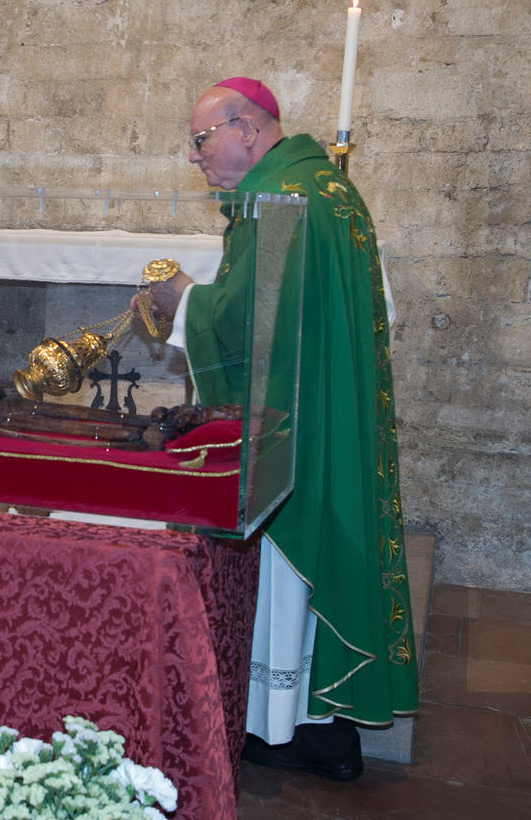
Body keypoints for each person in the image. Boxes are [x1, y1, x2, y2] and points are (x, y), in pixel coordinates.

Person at [145, 77, 419, 780]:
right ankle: (312, 723)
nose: (195, 156)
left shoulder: (280, 201)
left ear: (246, 128)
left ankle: (289, 730)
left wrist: (184, 300)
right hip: (325, 407)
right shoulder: (322, 188)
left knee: (287, 564)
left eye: (201, 139)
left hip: (297, 431)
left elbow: (248, 326)